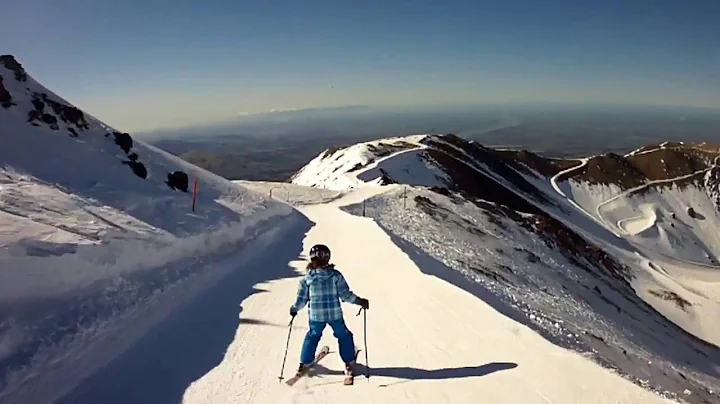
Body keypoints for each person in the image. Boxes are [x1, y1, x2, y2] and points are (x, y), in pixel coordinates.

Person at [289, 244, 369, 377]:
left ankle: (304, 363)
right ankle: (349, 362)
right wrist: (359, 301)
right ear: (327, 257)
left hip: (316, 316)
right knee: (344, 335)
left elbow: (301, 300)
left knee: (312, 336)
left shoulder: (307, 279)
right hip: (334, 315)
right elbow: (345, 295)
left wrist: (294, 309)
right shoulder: (335, 276)